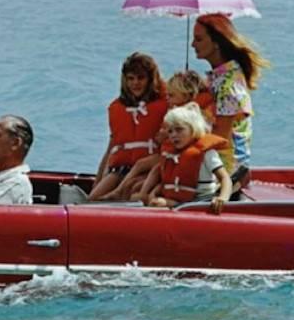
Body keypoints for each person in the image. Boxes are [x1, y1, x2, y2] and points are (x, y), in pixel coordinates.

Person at [105, 69, 209, 201]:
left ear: (185, 96)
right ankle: (120, 191)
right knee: (141, 167)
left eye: (171, 96)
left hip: (175, 155)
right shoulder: (174, 110)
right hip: (166, 152)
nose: (168, 99)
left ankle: (139, 192)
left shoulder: (189, 112)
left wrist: (165, 134)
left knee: (148, 168)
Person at [190, 13, 269, 175]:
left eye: (198, 39)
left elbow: (220, 139)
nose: (192, 44)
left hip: (226, 171)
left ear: (216, 43)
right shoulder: (220, 77)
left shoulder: (228, 87)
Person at [88, 52, 168, 200]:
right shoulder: (117, 108)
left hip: (148, 169)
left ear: (151, 79)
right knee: (93, 199)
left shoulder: (165, 105)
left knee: (131, 192)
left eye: (141, 78)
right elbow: (111, 147)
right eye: (130, 78)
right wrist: (97, 181)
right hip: (120, 169)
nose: (135, 83)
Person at [145, 102, 232, 214]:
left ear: (193, 129)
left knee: (159, 204)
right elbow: (166, 181)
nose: (173, 135)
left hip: (202, 201)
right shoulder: (171, 155)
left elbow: (225, 178)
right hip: (180, 201)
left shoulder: (207, 153)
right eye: (170, 131)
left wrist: (223, 198)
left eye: (179, 130)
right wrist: (153, 193)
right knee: (155, 202)